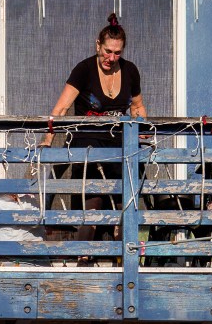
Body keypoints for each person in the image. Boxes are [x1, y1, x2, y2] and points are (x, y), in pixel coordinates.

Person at [41, 14, 147, 254]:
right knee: (94, 203)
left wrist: (142, 129)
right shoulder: (84, 69)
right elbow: (61, 108)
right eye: (108, 51)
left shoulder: (130, 71)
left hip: (119, 147)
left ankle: (126, 260)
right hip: (88, 144)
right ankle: (83, 257)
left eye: (117, 53)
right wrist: (47, 140)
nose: (112, 58)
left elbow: (138, 106)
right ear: (98, 45)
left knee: (125, 204)